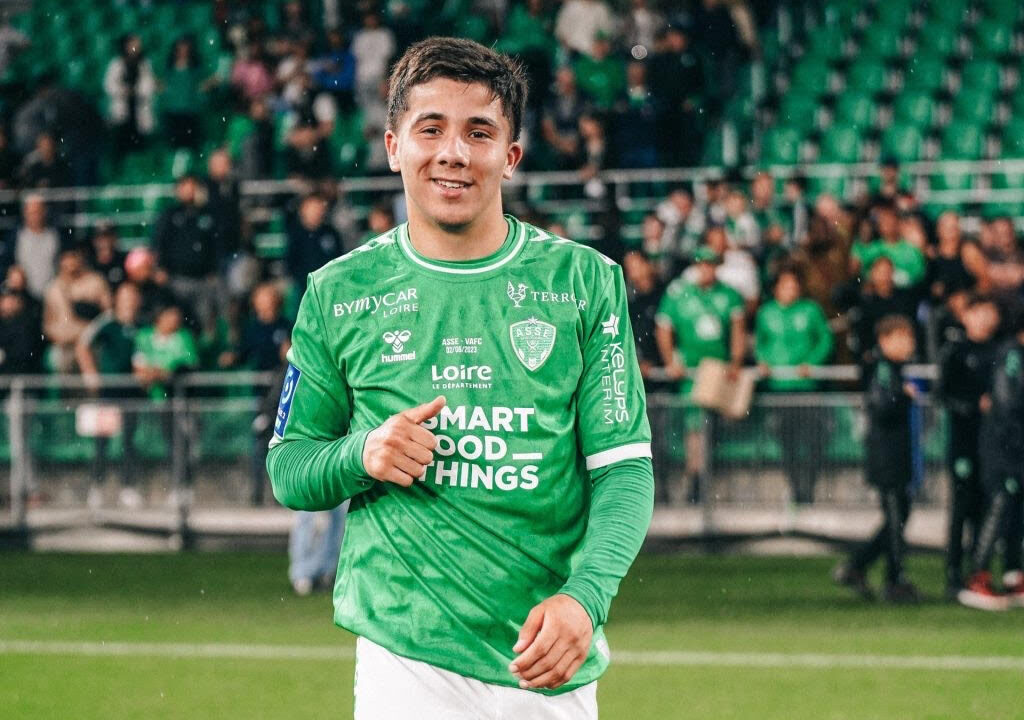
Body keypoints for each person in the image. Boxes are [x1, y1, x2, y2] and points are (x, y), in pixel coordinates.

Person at [267, 37, 653, 719]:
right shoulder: (338, 292)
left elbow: (624, 470)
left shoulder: (585, 283)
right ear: (393, 147)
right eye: (431, 129)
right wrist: (363, 453)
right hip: (404, 661)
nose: (453, 152)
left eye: (479, 132)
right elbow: (289, 466)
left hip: (547, 656)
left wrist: (585, 598)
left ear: (511, 155)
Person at [833, 315, 920, 603]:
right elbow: (882, 406)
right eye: (902, 337)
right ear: (885, 340)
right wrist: (904, 395)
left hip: (893, 454)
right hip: (887, 456)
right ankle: (894, 580)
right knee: (896, 518)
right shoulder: (882, 368)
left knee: (898, 516)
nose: (908, 344)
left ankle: (856, 566)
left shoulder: (892, 368)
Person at [655, 246, 745, 503]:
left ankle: (707, 482)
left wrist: (736, 361)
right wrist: (670, 361)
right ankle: (695, 479)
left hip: (717, 371)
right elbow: (663, 327)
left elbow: (738, 331)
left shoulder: (729, 295)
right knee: (694, 426)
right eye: (702, 264)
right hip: (691, 372)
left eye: (711, 264)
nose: (706, 269)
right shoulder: (680, 294)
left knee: (716, 427)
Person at [958, 312, 1024, 610]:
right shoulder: (1012, 355)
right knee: (1000, 505)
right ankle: (977, 577)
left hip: (1011, 446)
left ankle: (1013, 575)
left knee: (1015, 510)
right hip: (1004, 447)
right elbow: (1008, 403)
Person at [936, 295, 1000, 597]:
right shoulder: (955, 351)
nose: (984, 318)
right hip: (963, 444)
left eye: (989, 312)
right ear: (966, 316)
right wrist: (974, 406)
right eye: (978, 312)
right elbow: (941, 395)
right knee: (961, 509)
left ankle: (977, 573)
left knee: (983, 509)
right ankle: (952, 574)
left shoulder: (1000, 351)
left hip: (992, 446)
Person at [754, 266, 834, 504]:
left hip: (806, 387)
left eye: (794, 285)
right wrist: (763, 361)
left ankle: (809, 486)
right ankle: (795, 487)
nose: (790, 290)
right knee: (787, 442)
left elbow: (825, 340)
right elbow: (760, 344)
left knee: (812, 440)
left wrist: (813, 362)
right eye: (785, 285)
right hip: (779, 388)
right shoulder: (766, 313)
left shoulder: (810, 310)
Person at [76, 282, 144, 509]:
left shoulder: (141, 326)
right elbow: (83, 345)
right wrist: (90, 373)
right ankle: (97, 487)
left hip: (132, 394)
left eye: (133, 297)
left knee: (128, 441)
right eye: (125, 297)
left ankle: (128, 487)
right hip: (108, 393)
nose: (129, 302)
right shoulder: (107, 323)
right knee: (102, 442)